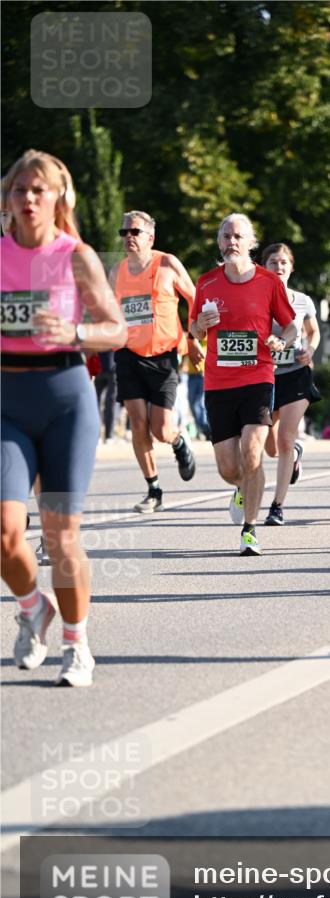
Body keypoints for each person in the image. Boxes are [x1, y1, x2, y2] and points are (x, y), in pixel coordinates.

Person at [1, 149, 126, 686]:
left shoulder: (77, 256)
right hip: (7, 398)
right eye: (19, 190)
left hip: (65, 399)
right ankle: (33, 606)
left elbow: (117, 329)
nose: (28, 199)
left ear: (58, 199)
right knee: (7, 533)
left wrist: (74, 333)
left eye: (38, 190)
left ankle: (77, 644)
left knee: (60, 536)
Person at [190, 213, 298, 555]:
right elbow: (193, 330)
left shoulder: (269, 282)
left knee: (253, 455)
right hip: (219, 383)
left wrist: (283, 341)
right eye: (225, 237)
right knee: (229, 468)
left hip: (258, 378)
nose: (230, 243)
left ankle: (250, 530)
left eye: (237, 237)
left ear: (250, 243)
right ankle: (241, 488)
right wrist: (199, 327)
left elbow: (290, 326)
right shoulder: (206, 282)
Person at [109, 210, 197, 513]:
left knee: (160, 429)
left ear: (150, 237)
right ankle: (154, 488)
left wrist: (194, 339)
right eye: (124, 233)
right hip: (128, 354)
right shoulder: (116, 272)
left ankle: (178, 442)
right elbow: (108, 313)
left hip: (164, 354)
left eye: (134, 232)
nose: (128, 238)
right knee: (137, 422)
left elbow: (195, 299)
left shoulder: (167, 263)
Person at [261, 243, 321, 526]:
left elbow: (313, 333)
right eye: (273, 262)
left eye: (284, 261)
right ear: (264, 267)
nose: (279, 266)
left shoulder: (303, 301)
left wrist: (310, 350)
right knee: (271, 448)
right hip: (265, 376)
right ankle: (296, 453)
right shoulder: (256, 298)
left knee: (285, 437)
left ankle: (277, 506)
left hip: (296, 374)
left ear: (291, 267)